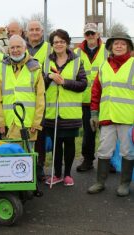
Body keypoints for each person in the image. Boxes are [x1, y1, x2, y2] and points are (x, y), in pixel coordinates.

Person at [88, 33, 134, 196]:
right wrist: (94, 113)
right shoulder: (103, 67)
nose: (119, 46)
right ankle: (100, 182)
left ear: (128, 47)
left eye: (123, 44)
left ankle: (124, 184)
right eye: (116, 44)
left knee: (127, 152)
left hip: (128, 119)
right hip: (107, 118)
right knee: (103, 150)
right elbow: (96, 92)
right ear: (111, 47)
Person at [43, 29, 87, 186]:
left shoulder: (77, 61)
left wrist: (65, 82)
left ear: (67, 43)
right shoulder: (47, 61)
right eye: (55, 42)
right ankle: (56, 174)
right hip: (52, 112)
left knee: (69, 144)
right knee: (56, 145)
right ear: (52, 44)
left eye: (61, 41)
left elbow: (83, 84)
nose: (58, 44)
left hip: (70, 113)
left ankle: (68, 174)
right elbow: (40, 83)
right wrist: (48, 76)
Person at [0, 35, 45, 144]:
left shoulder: (35, 68)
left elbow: (40, 99)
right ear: (8, 50)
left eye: (18, 47)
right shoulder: (2, 67)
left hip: (28, 124)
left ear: (25, 48)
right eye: (12, 48)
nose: (15, 50)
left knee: (28, 159)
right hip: (9, 124)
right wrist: (0, 122)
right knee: (10, 158)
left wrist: (36, 123)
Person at [74, 23, 108, 172]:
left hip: (106, 99)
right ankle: (88, 160)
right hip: (86, 100)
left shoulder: (107, 50)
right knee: (88, 133)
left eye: (92, 33)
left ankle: (110, 161)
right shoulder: (76, 53)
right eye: (87, 34)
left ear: (98, 34)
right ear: (84, 35)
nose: (90, 36)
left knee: (107, 133)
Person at [25, 20, 52, 181]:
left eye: (37, 30)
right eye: (31, 30)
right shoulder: (20, 46)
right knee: (23, 133)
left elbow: (52, 70)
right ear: (26, 33)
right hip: (24, 98)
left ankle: (39, 167)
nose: (34, 32)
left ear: (42, 32)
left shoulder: (49, 48)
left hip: (43, 95)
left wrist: (40, 81)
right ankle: (24, 166)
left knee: (39, 134)